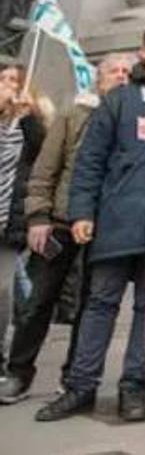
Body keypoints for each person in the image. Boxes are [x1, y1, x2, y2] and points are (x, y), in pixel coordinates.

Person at [37, 22, 145, 423]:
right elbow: (90, 160)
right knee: (100, 304)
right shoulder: (120, 99)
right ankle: (80, 387)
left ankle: (133, 387)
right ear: (144, 53)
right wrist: (81, 212)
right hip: (117, 221)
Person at [0, 55, 132, 404]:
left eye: (126, 73)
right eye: (113, 72)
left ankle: (74, 377)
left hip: (107, 228)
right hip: (59, 222)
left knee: (91, 306)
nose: (120, 77)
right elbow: (45, 168)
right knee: (37, 301)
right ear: (98, 80)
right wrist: (37, 217)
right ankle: (18, 373)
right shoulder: (74, 115)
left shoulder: (135, 121)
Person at [0, 64, 48, 376]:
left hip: (7, 221)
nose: (8, 86)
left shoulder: (30, 125)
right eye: (2, 80)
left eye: (14, 80)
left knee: (2, 291)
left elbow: (40, 152)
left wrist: (27, 114)